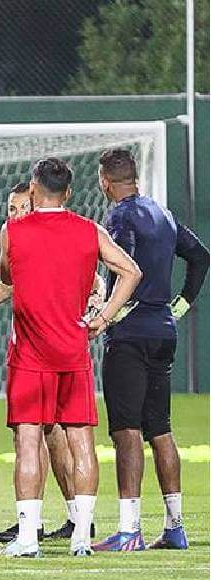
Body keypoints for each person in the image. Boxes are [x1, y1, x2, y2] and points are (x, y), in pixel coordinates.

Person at [0, 157, 141, 559]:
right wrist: (103, 318)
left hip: (30, 355)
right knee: (81, 442)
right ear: (69, 192)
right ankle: (81, 537)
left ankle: (28, 538)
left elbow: (6, 276)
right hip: (74, 351)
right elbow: (131, 271)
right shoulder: (90, 230)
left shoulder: (12, 231)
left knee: (28, 442)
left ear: (33, 189)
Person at [94, 147, 207, 552]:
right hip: (163, 331)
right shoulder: (164, 214)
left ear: (105, 181)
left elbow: (125, 266)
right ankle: (175, 527)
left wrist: (106, 312)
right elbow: (201, 257)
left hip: (129, 333)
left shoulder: (119, 217)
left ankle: (129, 530)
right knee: (160, 429)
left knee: (126, 431)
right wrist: (181, 305)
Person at [0, 182, 84, 543]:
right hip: (33, 351)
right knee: (43, 436)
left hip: (42, 356)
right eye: (11, 208)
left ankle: (56, 521)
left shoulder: (43, 240)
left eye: (22, 207)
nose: (15, 214)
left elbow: (94, 280)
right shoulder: (20, 240)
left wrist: (97, 306)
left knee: (43, 435)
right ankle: (63, 520)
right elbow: (5, 286)